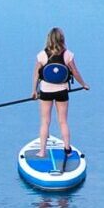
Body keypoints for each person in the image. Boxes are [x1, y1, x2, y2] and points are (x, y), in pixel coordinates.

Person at [31, 26, 89, 158]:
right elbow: (75, 72)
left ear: (48, 39)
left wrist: (34, 91)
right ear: (62, 39)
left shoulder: (42, 55)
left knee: (45, 121)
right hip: (62, 91)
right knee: (63, 121)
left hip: (45, 92)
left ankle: (42, 151)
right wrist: (84, 84)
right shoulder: (68, 55)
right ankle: (67, 150)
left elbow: (36, 74)